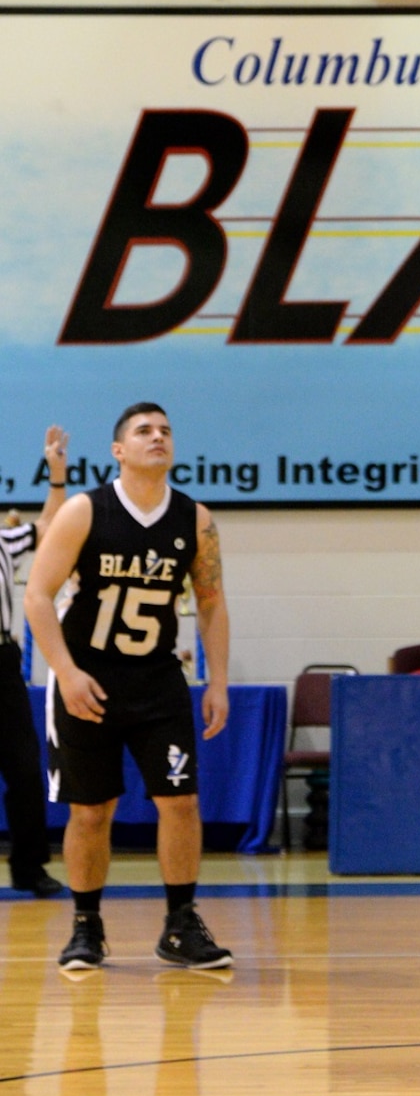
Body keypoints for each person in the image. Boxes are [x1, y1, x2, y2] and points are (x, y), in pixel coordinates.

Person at [24, 402, 233, 973]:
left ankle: (180, 924)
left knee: (181, 801)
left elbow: (211, 605)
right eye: (144, 431)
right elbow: (37, 596)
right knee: (92, 812)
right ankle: (86, 926)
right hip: (87, 677)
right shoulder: (85, 512)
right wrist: (65, 672)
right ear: (119, 450)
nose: (158, 437)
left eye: (166, 429)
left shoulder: (195, 519)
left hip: (158, 678)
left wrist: (218, 682)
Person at [0, 426, 71, 898]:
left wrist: (57, 476)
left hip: (1, 660)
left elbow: (51, 528)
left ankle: (29, 869)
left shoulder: (3, 540)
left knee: (25, 770)